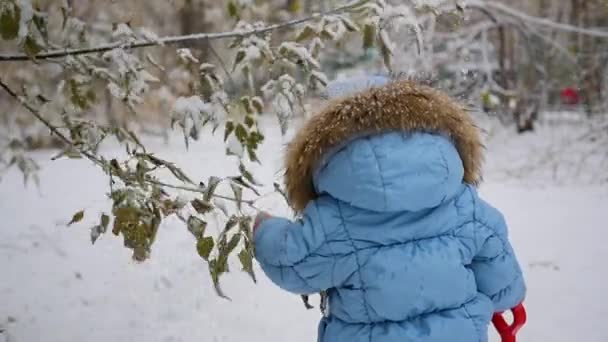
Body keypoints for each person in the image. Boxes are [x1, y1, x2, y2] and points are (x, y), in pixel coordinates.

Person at [252, 76, 526, 342]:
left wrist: (263, 228)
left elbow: (290, 262)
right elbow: (502, 287)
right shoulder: (464, 205)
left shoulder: (334, 220)